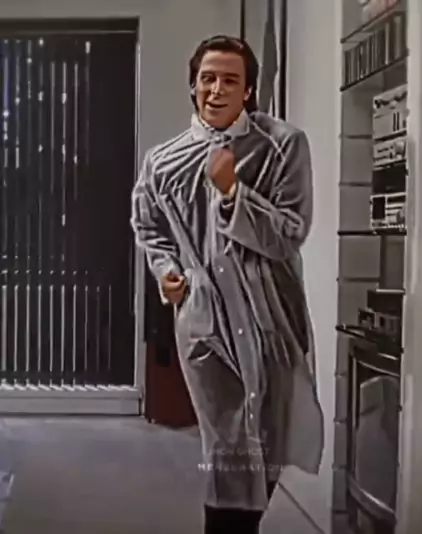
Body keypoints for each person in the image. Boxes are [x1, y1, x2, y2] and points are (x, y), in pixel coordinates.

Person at [131, 35, 324, 534]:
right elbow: (149, 227)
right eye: (208, 79)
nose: (217, 90)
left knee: (271, 441)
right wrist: (166, 270)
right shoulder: (163, 160)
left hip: (272, 318)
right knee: (228, 451)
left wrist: (233, 191)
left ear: (249, 90)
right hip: (205, 321)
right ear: (193, 86)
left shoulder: (282, 145)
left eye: (230, 80)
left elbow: (289, 233)